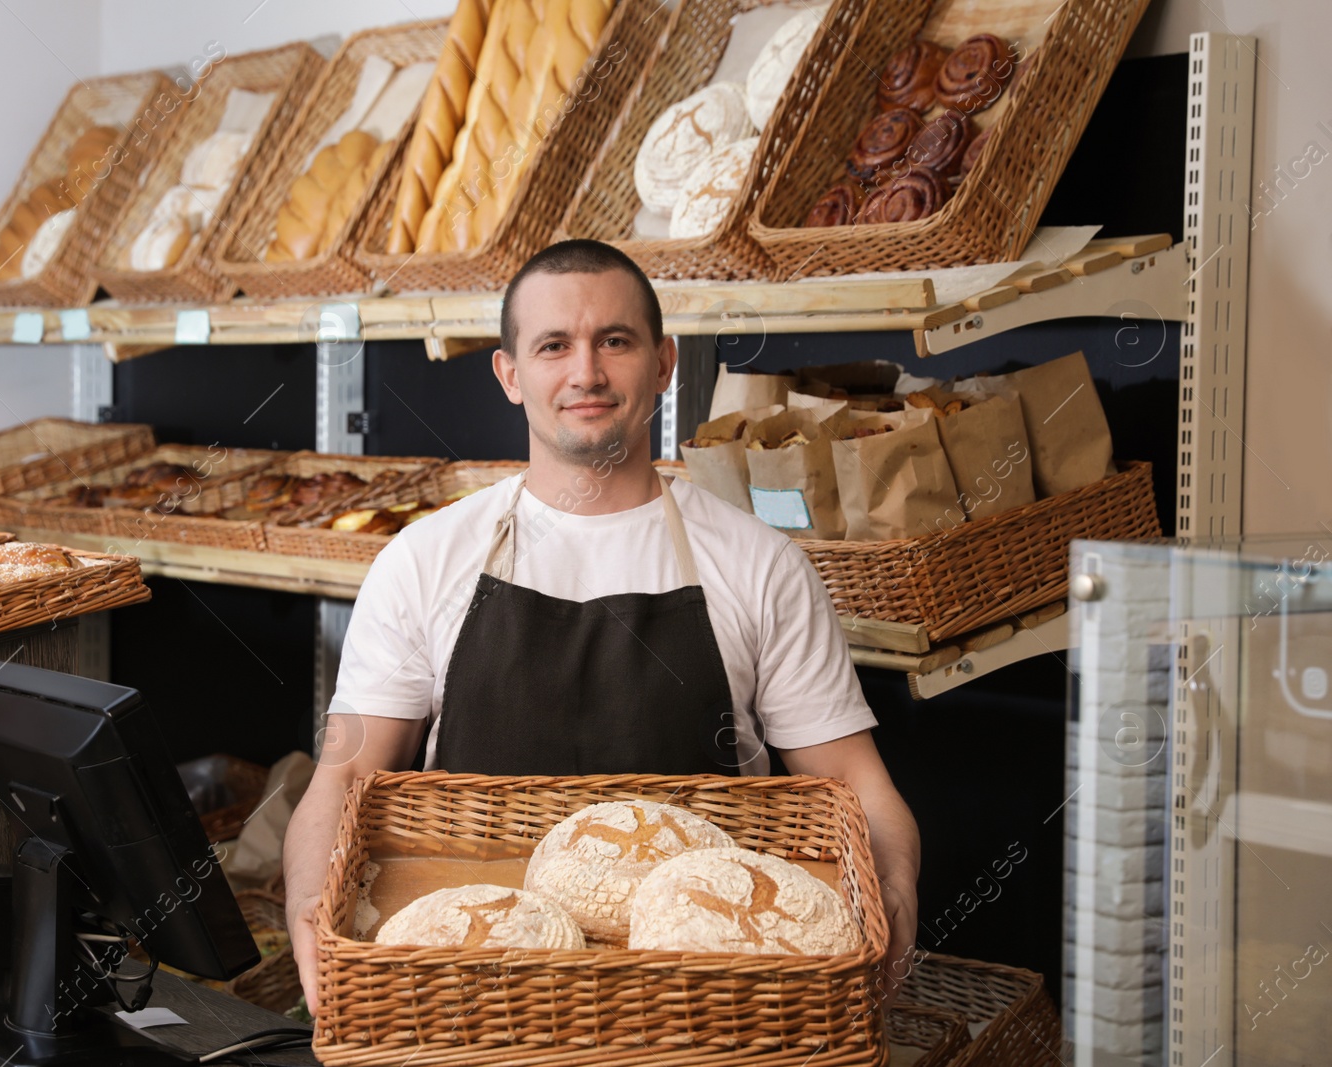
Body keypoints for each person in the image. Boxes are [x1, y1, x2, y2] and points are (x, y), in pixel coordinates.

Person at [283, 239, 919, 1013]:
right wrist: (310, 914)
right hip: (474, 992)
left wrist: (893, 895)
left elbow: (855, 783)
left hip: (701, 1000)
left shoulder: (761, 564)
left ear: (663, 364)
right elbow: (345, 776)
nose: (585, 372)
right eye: (554, 346)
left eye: (614, 341)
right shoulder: (424, 559)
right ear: (510, 375)